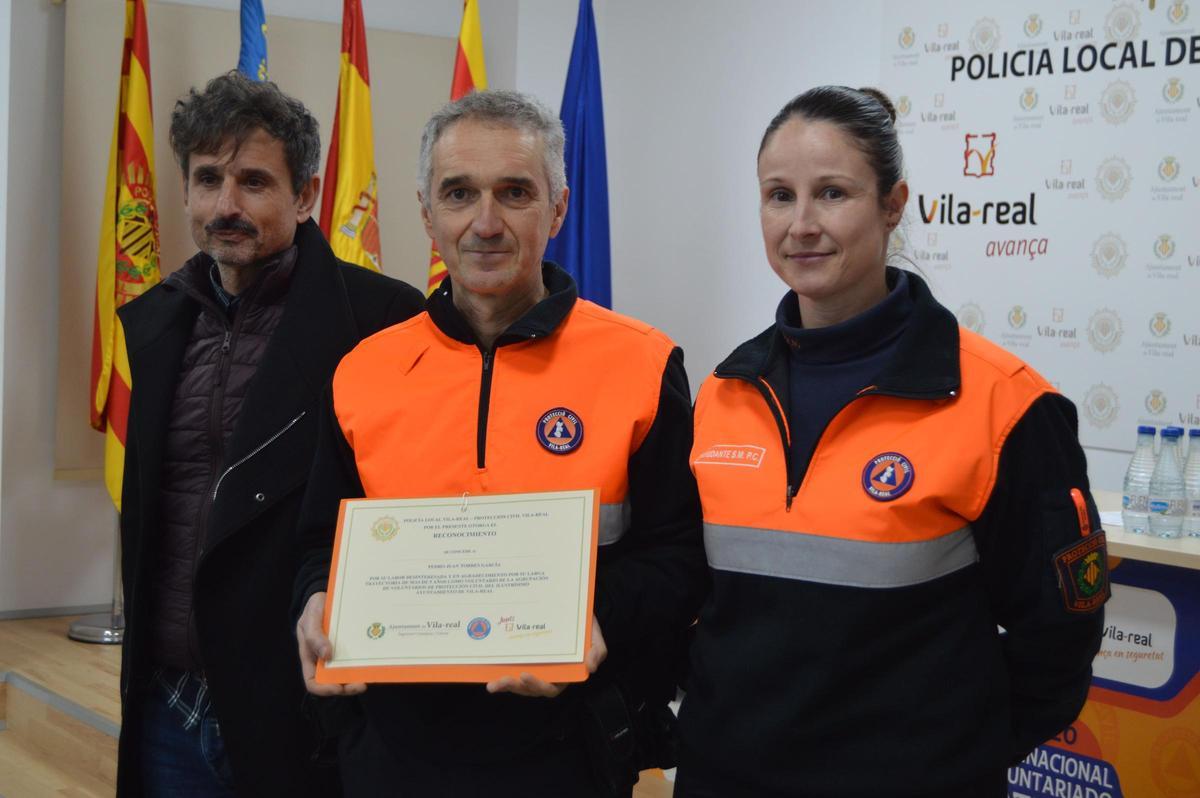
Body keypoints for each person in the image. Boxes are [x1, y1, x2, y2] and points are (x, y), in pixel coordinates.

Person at [674, 86, 1107, 798]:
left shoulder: (1005, 404)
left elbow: (1059, 641)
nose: (802, 224)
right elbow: (698, 602)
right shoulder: (725, 391)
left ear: (893, 204)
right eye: (779, 196)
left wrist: (952, 758)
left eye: (833, 193)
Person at [293, 89, 707, 798]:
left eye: (515, 192)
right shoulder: (363, 372)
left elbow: (679, 555)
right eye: (459, 194)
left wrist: (597, 616)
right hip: (392, 753)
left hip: (566, 750)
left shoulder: (642, 364)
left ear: (559, 208)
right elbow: (317, 543)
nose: (485, 223)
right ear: (428, 215)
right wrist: (315, 596)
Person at [115, 72, 424, 797]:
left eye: (254, 181)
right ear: (185, 189)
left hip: (301, 705)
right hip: (166, 698)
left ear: (306, 194)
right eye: (208, 179)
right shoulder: (156, 323)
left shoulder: (381, 321)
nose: (227, 205)